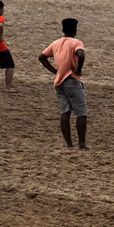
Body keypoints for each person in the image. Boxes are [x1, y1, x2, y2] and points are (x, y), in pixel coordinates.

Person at [38, 18, 87, 149]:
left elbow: (42, 57)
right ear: (75, 30)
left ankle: (69, 144)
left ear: (63, 29)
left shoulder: (56, 43)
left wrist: (55, 71)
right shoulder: (76, 42)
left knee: (65, 112)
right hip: (72, 80)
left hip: (59, 82)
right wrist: (79, 69)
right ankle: (82, 144)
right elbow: (81, 54)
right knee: (81, 113)